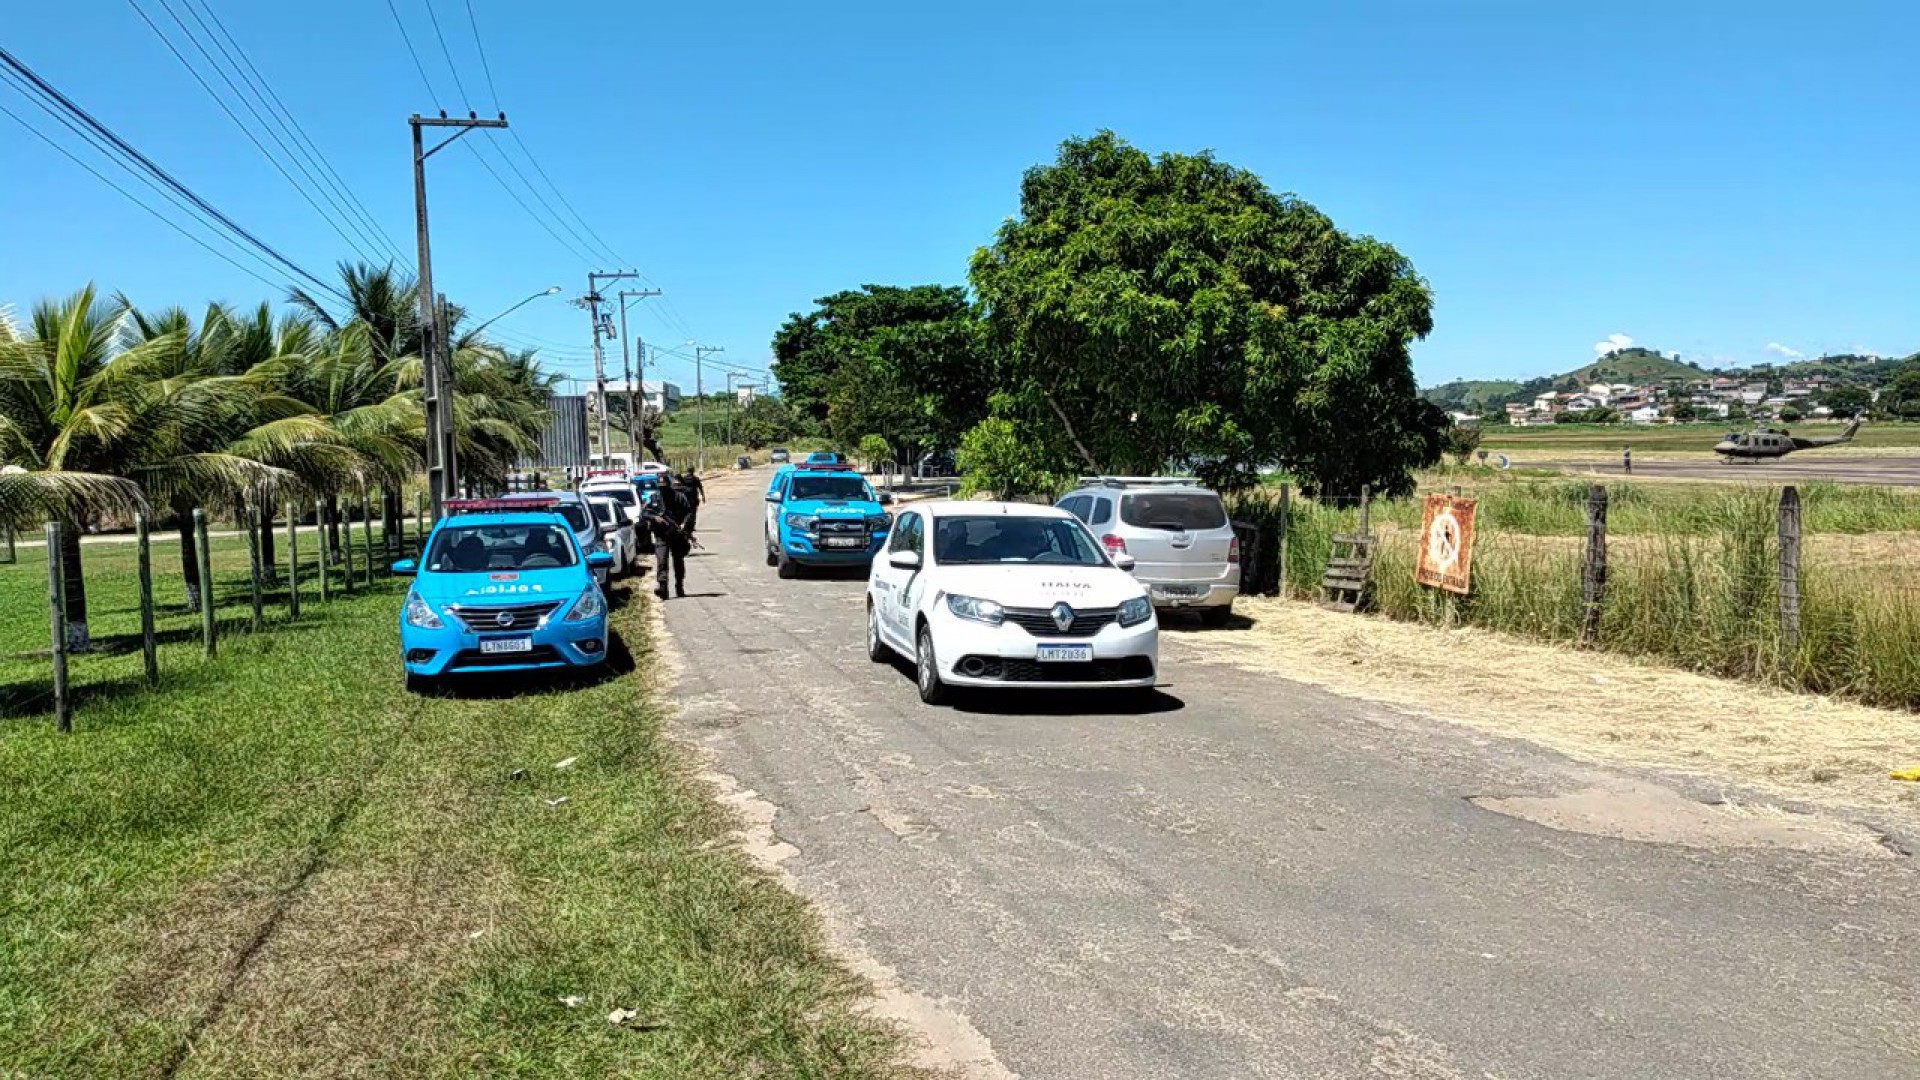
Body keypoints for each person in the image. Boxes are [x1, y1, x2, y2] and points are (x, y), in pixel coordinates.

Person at [645, 473, 694, 599]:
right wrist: (655, 517)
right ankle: (663, 588)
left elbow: (688, 512)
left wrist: (684, 524)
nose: (663, 489)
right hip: (661, 535)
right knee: (662, 561)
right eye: (661, 487)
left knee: (678, 561)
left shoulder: (679, 497)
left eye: (665, 486)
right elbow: (644, 513)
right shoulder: (654, 498)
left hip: (677, 535)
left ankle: (679, 586)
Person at [679, 469, 706, 536]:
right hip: (694, 499)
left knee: (686, 512)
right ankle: (692, 526)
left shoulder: (683, 478)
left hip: (685, 498)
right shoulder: (695, 478)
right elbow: (700, 488)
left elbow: (679, 488)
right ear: (693, 471)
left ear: (687, 471)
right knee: (693, 513)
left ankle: (686, 525)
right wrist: (703, 496)